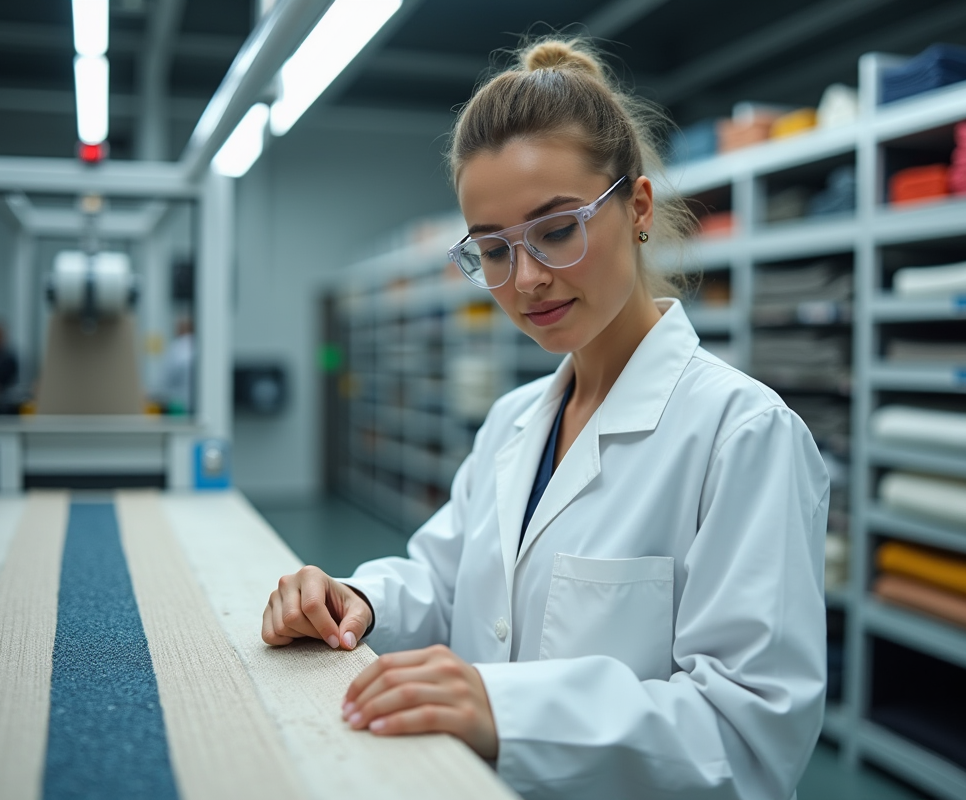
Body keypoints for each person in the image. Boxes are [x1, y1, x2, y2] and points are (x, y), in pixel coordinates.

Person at [262, 37, 829, 800]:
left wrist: (505, 710)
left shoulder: (741, 433)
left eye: (556, 230)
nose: (526, 280)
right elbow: (446, 583)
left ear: (636, 209)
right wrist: (356, 602)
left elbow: (748, 737)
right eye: (492, 250)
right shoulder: (513, 420)